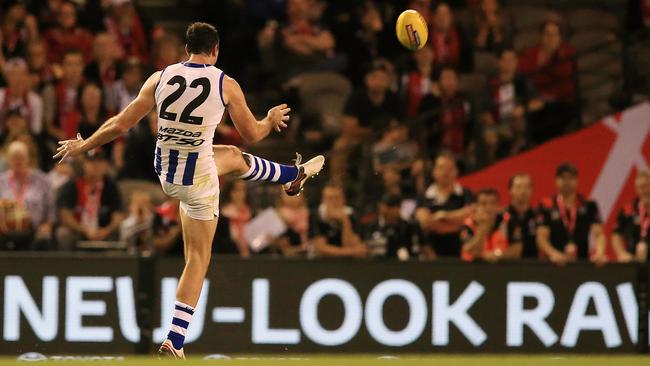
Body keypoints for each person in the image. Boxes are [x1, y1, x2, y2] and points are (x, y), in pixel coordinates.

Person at [53, 22, 325, 359]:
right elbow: (254, 134)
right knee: (198, 257)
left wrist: (85, 145)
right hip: (198, 179)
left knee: (232, 157)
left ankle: (290, 176)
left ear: (186, 49)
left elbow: (121, 123)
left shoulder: (160, 77)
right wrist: (269, 120)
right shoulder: (226, 84)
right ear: (216, 50)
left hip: (167, 172)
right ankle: (176, 340)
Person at [518, 20, 578, 143]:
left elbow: (563, 73)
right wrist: (547, 73)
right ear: (541, 36)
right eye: (547, 34)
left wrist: (543, 69)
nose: (550, 38)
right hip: (536, 100)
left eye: (554, 34)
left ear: (560, 37)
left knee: (553, 118)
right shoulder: (532, 52)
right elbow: (524, 71)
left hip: (561, 101)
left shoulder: (567, 52)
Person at [536, 162, 606, 265]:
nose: (567, 182)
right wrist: (554, 254)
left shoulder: (589, 204)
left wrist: (600, 253)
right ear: (556, 181)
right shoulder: (547, 205)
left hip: (582, 262)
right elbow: (541, 237)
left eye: (571, 178)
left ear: (577, 181)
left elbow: (599, 234)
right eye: (563, 178)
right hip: (554, 263)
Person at [55, 149, 125, 250]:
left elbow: (118, 215)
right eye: (91, 162)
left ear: (105, 165)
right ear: (84, 164)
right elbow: (65, 215)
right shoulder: (73, 185)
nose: (95, 166)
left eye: (99, 162)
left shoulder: (110, 186)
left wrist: (106, 230)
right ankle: (67, 265)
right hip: (78, 230)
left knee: (121, 232)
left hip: (103, 231)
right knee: (63, 234)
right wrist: (84, 230)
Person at [415, 152, 474, 259]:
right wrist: (457, 223)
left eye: (450, 168)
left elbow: (471, 216)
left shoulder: (466, 194)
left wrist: (443, 215)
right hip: (432, 254)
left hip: (462, 252)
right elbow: (426, 223)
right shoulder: (424, 195)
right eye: (441, 168)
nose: (445, 172)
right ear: (434, 172)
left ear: (456, 171)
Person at [0, 141, 55, 250]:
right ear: (9, 161)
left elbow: (51, 209)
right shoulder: (1, 181)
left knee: (44, 238)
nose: (18, 161)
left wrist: (47, 225)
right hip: (5, 229)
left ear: (28, 159)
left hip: (34, 229)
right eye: (15, 158)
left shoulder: (42, 180)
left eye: (21, 158)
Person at [309, 181, 368, 258]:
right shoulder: (316, 215)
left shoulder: (351, 214)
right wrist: (353, 251)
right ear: (323, 200)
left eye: (337, 198)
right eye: (330, 199)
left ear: (343, 200)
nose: (333, 202)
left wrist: (345, 221)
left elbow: (350, 245)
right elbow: (321, 249)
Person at [461, 188, 520, 262]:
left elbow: (517, 250)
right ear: (476, 207)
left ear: (498, 206)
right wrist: (483, 228)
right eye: (483, 204)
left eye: (493, 203)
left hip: (502, 269)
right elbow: (472, 252)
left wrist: (498, 254)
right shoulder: (468, 224)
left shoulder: (508, 221)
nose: (488, 208)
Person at [612, 170, 650, 262]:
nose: (643, 191)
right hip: (634, 264)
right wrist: (621, 253)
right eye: (640, 187)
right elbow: (616, 234)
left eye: (646, 186)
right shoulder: (628, 210)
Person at [363, 194, 415, 260]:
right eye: (387, 206)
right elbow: (365, 246)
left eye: (393, 207)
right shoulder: (372, 226)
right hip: (374, 263)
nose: (384, 208)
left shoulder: (407, 226)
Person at [505, 173, 539, 259]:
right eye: (519, 187)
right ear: (510, 190)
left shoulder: (538, 216)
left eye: (527, 187)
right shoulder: (502, 216)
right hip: (507, 265)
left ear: (532, 190)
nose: (523, 191)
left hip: (534, 265)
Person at [221, 179, 252, 258]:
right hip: (230, 259)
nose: (240, 194)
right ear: (229, 192)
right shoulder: (222, 217)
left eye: (243, 190)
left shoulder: (251, 214)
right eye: (236, 190)